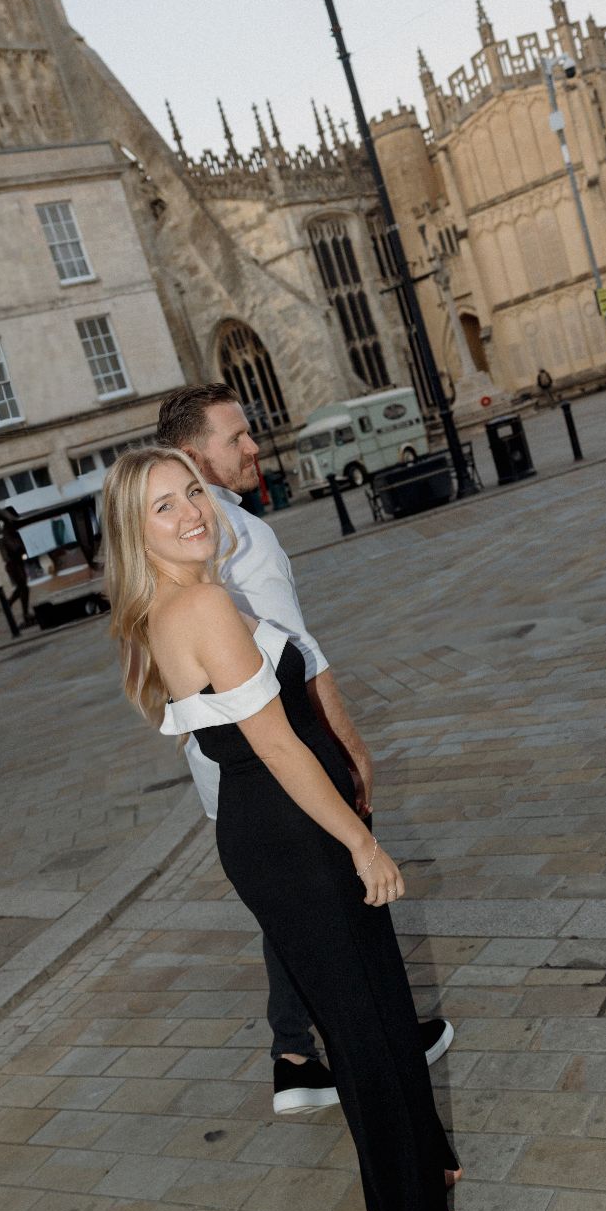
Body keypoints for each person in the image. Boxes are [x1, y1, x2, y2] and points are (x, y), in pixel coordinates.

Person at [102, 446, 460, 1211]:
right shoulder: (201, 606)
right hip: (296, 838)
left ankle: (429, 1164)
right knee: (366, 1031)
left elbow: (208, 732)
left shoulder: (172, 606)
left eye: (193, 491)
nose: (192, 511)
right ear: (133, 530)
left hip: (281, 830)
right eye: (164, 506)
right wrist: (360, 842)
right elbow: (272, 744)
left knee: (377, 1005)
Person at [156, 384, 452, 1117]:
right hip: (285, 752)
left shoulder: (162, 558)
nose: (255, 447)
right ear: (193, 455)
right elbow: (299, 654)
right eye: (237, 438)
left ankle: (295, 1051)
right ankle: (366, 1050)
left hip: (225, 771)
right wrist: (351, 752)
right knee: (344, 900)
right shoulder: (234, 533)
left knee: (292, 905)